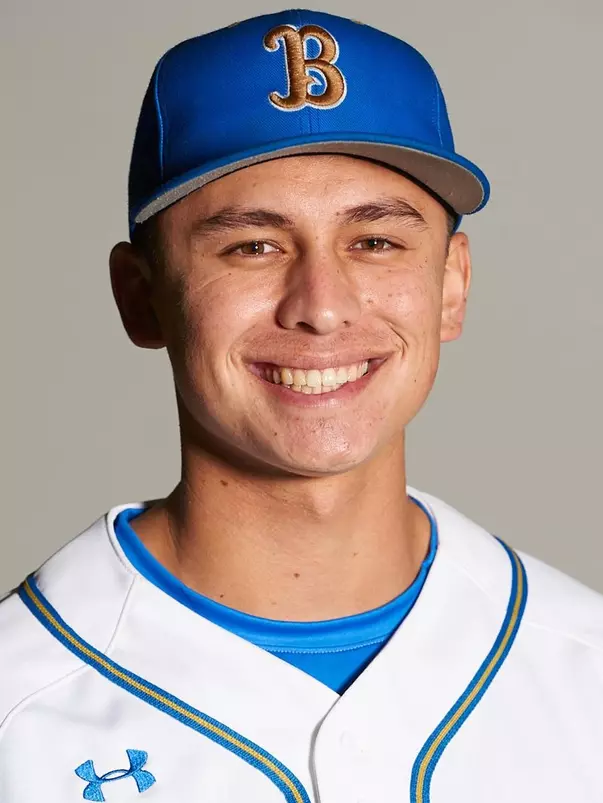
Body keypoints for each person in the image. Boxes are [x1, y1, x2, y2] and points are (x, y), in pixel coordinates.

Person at [1, 8, 601, 802]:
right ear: (140, 297)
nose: (320, 305)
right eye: (253, 245)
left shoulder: (584, 667)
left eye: (375, 241)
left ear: (451, 283)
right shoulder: (19, 705)